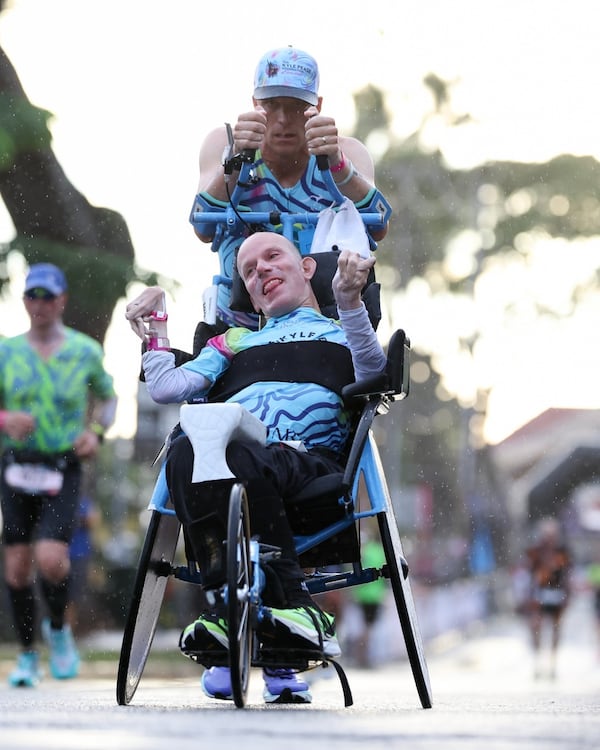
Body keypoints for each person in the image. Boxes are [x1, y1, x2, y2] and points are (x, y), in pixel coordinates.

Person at [125, 231, 387, 704]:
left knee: (233, 453)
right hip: (231, 459)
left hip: (308, 460)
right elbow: (167, 389)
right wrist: (157, 327)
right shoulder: (232, 342)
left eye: (272, 257)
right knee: (185, 452)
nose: (260, 269)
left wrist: (349, 299)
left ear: (308, 268)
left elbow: (372, 373)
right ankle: (244, 608)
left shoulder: (341, 326)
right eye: (248, 269)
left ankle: (267, 608)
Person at [190, 45, 390, 328]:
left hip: (327, 325)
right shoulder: (223, 145)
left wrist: (336, 163)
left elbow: (379, 226)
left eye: (297, 106)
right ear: (255, 103)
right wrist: (236, 159)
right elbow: (202, 227)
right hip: (239, 327)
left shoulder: (348, 151)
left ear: (317, 107)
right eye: (272, 105)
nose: (284, 119)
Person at [0, 263, 117, 687]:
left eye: (48, 296)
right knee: (15, 569)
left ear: (62, 299)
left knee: (51, 560)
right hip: (15, 465)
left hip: (63, 466)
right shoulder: (6, 351)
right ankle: (28, 655)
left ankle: (60, 631)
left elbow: (108, 398)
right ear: (25, 300)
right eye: (33, 295)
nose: (40, 304)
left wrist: (97, 433)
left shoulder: (85, 350)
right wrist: (5, 418)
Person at [523, 517, 572, 679]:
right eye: (546, 534)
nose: (549, 538)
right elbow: (528, 574)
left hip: (557, 594)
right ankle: (537, 661)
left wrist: (567, 595)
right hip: (540, 594)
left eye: (552, 534)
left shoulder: (562, 552)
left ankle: (552, 664)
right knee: (536, 627)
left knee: (556, 629)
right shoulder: (535, 551)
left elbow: (566, 575)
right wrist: (528, 595)